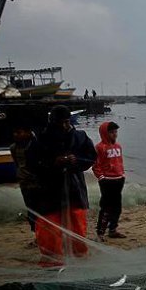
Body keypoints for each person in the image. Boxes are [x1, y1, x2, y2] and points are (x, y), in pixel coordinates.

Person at [30, 105, 97, 267]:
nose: (66, 126)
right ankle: (51, 262)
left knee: (77, 227)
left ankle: (80, 259)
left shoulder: (80, 137)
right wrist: (54, 162)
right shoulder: (40, 139)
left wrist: (76, 161)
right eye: (62, 122)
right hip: (49, 191)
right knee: (48, 227)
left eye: (68, 122)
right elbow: (32, 164)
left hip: (74, 189)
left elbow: (91, 157)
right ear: (53, 122)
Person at [92, 121, 126, 241]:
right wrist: (101, 177)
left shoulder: (118, 146)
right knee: (106, 207)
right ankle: (100, 233)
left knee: (117, 206)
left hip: (118, 179)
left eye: (115, 132)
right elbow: (96, 165)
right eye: (111, 132)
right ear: (105, 133)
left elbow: (119, 162)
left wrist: (122, 174)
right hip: (107, 180)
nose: (114, 134)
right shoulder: (99, 147)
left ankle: (113, 229)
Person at [9, 121, 39, 239]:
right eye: (15, 133)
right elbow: (18, 164)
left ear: (27, 132)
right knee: (30, 208)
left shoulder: (36, 145)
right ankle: (35, 233)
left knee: (40, 208)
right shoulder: (13, 148)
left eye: (19, 132)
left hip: (37, 182)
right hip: (25, 183)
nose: (16, 135)